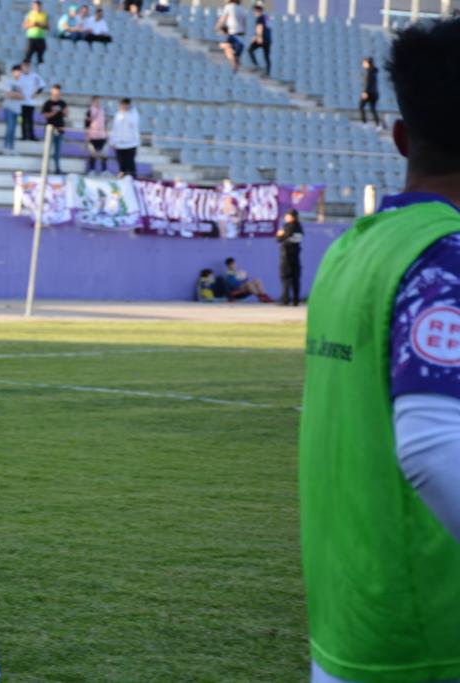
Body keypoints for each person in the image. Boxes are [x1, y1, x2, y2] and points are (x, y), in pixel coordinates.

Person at [299, 19, 460, 683]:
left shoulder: (353, 247)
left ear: (399, 135)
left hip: (355, 624)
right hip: (433, 637)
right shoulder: (446, 257)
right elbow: (433, 447)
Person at [276, 208, 303, 306]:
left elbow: (280, 239)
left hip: (286, 256)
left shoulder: (287, 227)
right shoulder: (299, 228)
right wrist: (282, 236)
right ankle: (296, 300)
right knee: (295, 279)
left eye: (287, 216)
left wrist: (282, 235)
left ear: (292, 217)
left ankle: (285, 299)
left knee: (285, 278)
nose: (285, 218)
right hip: (295, 256)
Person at [109, 98, 139, 177]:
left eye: (125, 104)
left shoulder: (133, 113)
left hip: (131, 144)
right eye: (122, 104)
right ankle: (123, 181)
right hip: (119, 144)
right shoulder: (118, 114)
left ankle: (133, 181)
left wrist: (125, 114)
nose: (123, 106)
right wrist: (113, 142)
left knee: (130, 164)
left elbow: (133, 123)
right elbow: (115, 129)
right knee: (122, 166)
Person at [41, 84, 68, 174]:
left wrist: (63, 111)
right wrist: (54, 112)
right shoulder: (48, 103)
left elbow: (67, 114)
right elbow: (45, 115)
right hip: (50, 130)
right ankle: (45, 169)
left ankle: (57, 168)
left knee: (58, 151)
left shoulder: (62, 103)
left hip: (60, 129)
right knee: (48, 150)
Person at [215, 0, 246, 73]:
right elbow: (244, 22)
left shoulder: (229, 7)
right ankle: (235, 64)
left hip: (233, 33)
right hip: (241, 35)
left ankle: (234, 66)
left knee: (224, 46)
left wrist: (216, 28)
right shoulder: (241, 8)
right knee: (234, 52)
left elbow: (222, 19)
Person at [18, 60, 45, 142]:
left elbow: (42, 86)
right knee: (22, 119)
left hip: (30, 102)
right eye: (24, 66)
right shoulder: (19, 76)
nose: (26, 68)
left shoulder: (34, 76)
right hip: (21, 102)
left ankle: (31, 135)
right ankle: (24, 135)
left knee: (30, 120)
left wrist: (36, 94)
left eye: (27, 66)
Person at [1, 64, 23, 155]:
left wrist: (15, 95)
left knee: (14, 129)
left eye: (19, 71)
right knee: (9, 128)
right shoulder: (9, 82)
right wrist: (17, 95)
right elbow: (8, 94)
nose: (18, 73)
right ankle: (6, 147)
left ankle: (12, 147)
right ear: (13, 72)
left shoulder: (22, 83)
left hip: (17, 109)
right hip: (9, 108)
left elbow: (23, 96)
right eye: (16, 71)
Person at [84, 95, 108, 174]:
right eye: (96, 101)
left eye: (99, 101)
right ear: (93, 102)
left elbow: (105, 123)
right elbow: (86, 124)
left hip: (102, 136)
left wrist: (106, 134)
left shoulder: (103, 111)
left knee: (103, 154)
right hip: (93, 136)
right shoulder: (90, 111)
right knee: (93, 154)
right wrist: (87, 135)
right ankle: (92, 170)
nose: (98, 103)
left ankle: (104, 170)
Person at [247, 3, 272, 76]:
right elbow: (269, 28)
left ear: (258, 11)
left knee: (250, 50)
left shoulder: (260, 18)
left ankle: (256, 65)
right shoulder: (266, 17)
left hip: (262, 39)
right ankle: (268, 72)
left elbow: (259, 28)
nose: (254, 13)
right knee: (266, 56)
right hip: (268, 40)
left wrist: (258, 37)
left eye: (255, 11)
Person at [359, 56, 382, 129]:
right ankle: (378, 124)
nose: (363, 64)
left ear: (368, 63)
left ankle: (364, 122)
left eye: (364, 63)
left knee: (361, 106)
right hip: (374, 93)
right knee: (372, 109)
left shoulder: (369, 72)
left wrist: (365, 92)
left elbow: (368, 83)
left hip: (369, 93)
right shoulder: (373, 71)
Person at [23, 1, 48, 65]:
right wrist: (32, 24)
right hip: (31, 37)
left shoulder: (44, 15)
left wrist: (39, 25)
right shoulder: (29, 14)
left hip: (40, 37)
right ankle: (25, 71)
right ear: (33, 6)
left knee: (41, 57)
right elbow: (24, 26)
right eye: (35, 6)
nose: (37, 8)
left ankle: (41, 71)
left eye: (38, 6)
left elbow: (47, 26)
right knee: (28, 55)